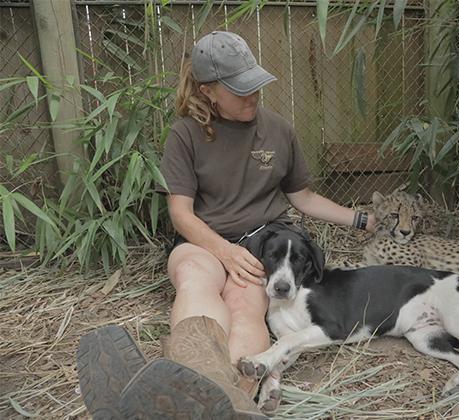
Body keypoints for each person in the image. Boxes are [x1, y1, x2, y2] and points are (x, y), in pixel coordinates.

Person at [76, 31, 375, 419]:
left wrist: (361, 219)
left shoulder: (279, 130)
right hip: (203, 240)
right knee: (194, 279)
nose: (252, 97)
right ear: (208, 91)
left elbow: (302, 197)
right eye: (239, 90)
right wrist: (225, 251)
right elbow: (181, 214)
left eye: (254, 86)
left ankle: (213, 399)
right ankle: (212, 395)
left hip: (263, 243)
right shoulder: (185, 134)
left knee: (245, 304)